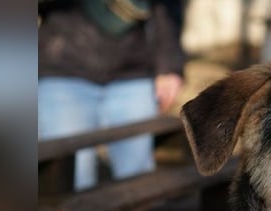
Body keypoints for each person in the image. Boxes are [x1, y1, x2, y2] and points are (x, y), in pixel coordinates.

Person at [38, 0, 186, 190]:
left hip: (134, 70)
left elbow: (168, 7)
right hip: (63, 69)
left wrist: (169, 64)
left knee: (140, 183)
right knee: (69, 182)